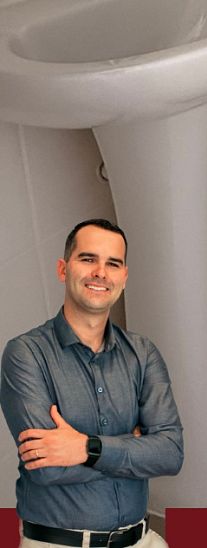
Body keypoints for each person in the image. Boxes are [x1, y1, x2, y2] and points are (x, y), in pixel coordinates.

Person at [0, 219, 183, 548]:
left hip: (141, 540)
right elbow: (46, 468)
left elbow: (169, 453)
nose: (100, 272)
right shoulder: (25, 354)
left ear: (123, 278)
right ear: (63, 269)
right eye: (88, 259)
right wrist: (135, 446)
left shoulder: (143, 354)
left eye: (113, 264)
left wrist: (85, 448)